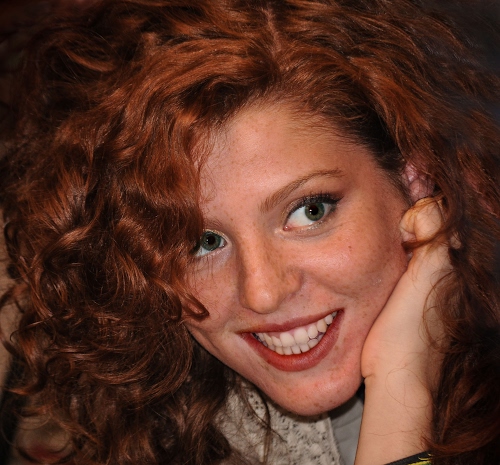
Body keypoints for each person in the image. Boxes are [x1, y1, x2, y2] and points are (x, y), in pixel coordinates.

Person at [0, 0, 498, 464]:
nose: (262, 292)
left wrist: (403, 384)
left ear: (416, 177)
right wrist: (402, 384)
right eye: (203, 242)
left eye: (309, 211)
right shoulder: (156, 417)